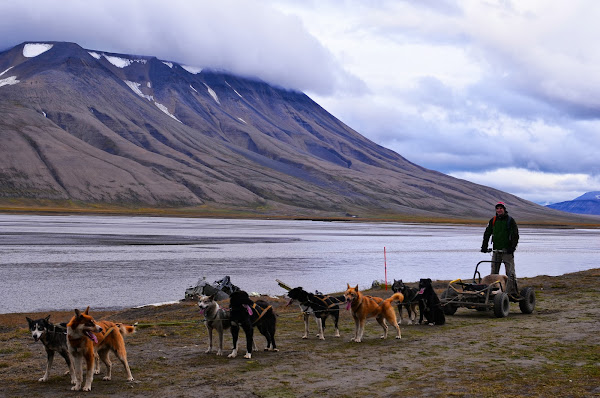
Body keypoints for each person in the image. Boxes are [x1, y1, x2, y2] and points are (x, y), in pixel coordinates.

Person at [481, 202, 520, 298]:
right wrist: (484, 247)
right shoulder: (493, 220)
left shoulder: (510, 220)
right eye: (497, 208)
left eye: (500, 208)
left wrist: (512, 248)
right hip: (496, 250)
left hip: (507, 251)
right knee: (494, 273)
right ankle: (493, 291)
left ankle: (512, 292)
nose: (499, 210)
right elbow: (487, 233)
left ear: (504, 209)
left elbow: (515, 235)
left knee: (510, 273)